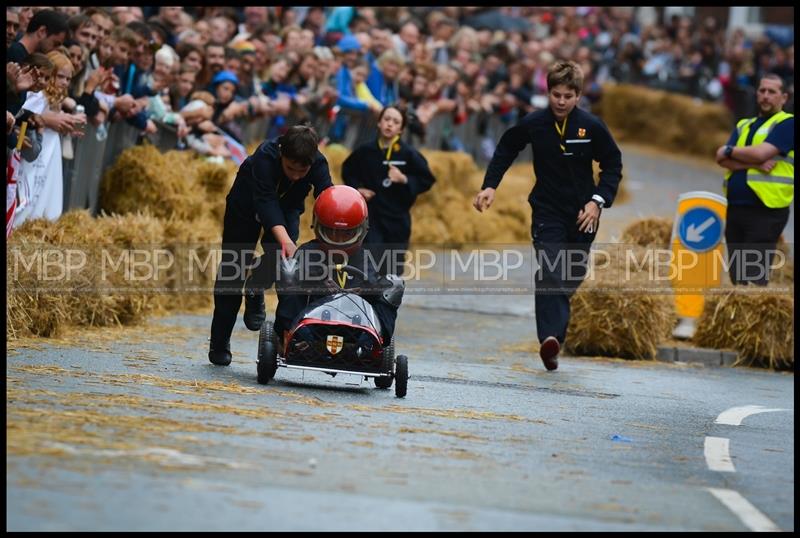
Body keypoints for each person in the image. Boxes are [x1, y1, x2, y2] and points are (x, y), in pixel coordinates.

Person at [473, 60, 623, 371]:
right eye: (556, 95)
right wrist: (490, 186)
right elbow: (505, 149)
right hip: (547, 210)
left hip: (583, 214)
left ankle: (555, 340)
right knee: (552, 269)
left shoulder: (591, 126)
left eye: (568, 96)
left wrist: (597, 202)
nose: (561, 101)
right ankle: (549, 340)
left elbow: (612, 165)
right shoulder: (534, 123)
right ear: (548, 92)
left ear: (578, 96)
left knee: (569, 277)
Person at [208, 125, 333, 366]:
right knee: (232, 271)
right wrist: (286, 240)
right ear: (280, 154)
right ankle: (220, 342)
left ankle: (256, 286)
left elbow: (327, 195)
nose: (296, 176)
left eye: (302, 171)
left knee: (281, 260)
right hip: (246, 207)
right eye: (290, 168)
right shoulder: (264, 157)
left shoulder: (318, 163)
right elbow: (265, 202)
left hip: (287, 210)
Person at [274, 185, 403, 352]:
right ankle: (294, 336)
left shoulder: (365, 256)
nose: (339, 239)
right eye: (332, 232)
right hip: (313, 324)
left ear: (362, 230)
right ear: (318, 226)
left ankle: (373, 342)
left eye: (347, 234)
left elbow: (373, 287)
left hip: (355, 325)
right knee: (289, 270)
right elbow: (299, 279)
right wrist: (319, 285)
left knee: (394, 286)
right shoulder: (309, 252)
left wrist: (362, 291)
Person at [715, 73, 794, 286]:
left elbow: (760, 153)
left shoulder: (787, 124)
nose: (766, 96)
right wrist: (752, 163)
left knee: (752, 277)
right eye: (762, 90)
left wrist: (731, 149)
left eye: (772, 92)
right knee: (737, 278)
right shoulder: (744, 125)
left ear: (783, 98)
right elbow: (721, 159)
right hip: (736, 207)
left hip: (766, 210)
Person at [342, 105, 436, 276]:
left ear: (401, 129)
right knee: (367, 267)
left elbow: (427, 179)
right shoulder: (365, 150)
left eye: (395, 121)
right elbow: (347, 171)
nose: (390, 124)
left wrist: (404, 179)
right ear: (378, 123)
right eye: (386, 119)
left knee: (391, 273)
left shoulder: (409, 154)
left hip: (397, 220)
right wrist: (358, 189)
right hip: (371, 219)